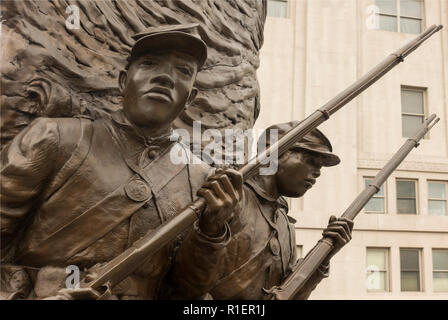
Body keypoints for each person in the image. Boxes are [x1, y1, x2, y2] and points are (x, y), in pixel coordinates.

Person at [0, 23, 243, 300]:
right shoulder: (55, 137)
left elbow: (187, 291)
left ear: (191, 98)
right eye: (150, 64)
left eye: (183, 71)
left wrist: (211, 232)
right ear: (123, 80)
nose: (165, 77)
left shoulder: (200, 178)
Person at [207, 121, 354, 300]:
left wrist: (323, 257)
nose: (318, 173)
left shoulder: (284, 224)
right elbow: (187, 286)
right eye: (311, 161)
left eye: (320, 166)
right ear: (273, 154)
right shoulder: (229, 199)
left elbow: (289, 294)